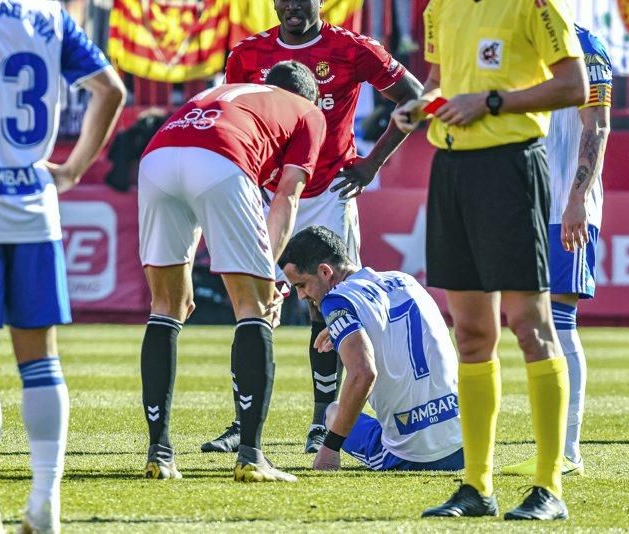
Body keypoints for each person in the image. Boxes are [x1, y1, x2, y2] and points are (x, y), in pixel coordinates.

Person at [0, 0, 126, 532]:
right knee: (41, 361)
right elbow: (111, 89)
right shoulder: (50, 14)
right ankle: (45, 504)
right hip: (35, 200)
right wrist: (73, 170)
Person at [197, 0, 423, 455]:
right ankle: (246, 421)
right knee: (251, 306)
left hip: (326, 194)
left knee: (329, 309)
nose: (292, 5)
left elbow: (414, 96)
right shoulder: (247, 54)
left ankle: (323, 421)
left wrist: (372, 164)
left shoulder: (351, 48)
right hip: (266, 193)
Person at [392, 0, 588, 521]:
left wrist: (495, 101)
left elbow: (575, 86)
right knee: (472, 333)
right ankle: (476, 486)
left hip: (512, 166)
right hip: (451, 170)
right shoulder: (439, 8)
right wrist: (421, 105)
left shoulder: (536, 4)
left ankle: (549, 487)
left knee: (530, 326)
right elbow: (439, 81)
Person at [138, 61, 326, 483]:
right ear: (309, 97)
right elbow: (287, 197)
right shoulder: (308, 112)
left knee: (168, 305)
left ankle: (160, 454)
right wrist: (271, 277)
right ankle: (252, 455)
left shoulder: (229, 92)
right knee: (253, 308)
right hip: (220, 159)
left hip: (157, 158)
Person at [502, 24, 613, 478]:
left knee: (559, 321)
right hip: (523, 204)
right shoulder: (515, 36)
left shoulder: (586, 45)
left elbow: (597, 126)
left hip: (563, 205)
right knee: (529, 323)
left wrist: (577, 199)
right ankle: (551, 445)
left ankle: (566, 451)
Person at [279, 226, 464, 473]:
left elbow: (363, 373)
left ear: (325, 271)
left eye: (301, 285)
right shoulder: (405, 279)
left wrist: (329, 449)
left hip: (412, 456)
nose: (301, 296)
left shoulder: (337, 300)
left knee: (332, 413)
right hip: (464, 446)